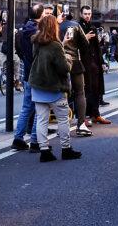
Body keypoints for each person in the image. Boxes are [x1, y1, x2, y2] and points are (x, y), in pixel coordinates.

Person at [29, 13, 82, 161]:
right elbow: (64, 68)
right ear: (54, 27)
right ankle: (66, 149)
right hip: (54, 88)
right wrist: (69, 59)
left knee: (41, 120)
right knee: (63, 119)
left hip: (38, 86)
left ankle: (44, 151)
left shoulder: (36, 42)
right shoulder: (55, 45)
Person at [12, 3, 49, 152]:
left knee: (26, 107)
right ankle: (35, 140)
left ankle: (18, 138)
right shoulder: (38, 32)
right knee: (40, 108)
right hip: (37, 73)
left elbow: (20, 51)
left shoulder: (22, 31)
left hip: (27, 72)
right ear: (40, 16)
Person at [61, 12, 92, 137]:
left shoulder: (56, 25)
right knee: (80, 92)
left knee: (62, 95)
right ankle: (81, 124)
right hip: (75, 61)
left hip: (60, 61)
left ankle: (63, 126)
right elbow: (85, 43)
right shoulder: (76, 26)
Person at [79, 5, 111, 124]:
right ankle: (85, 117)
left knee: (96, 89)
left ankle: (96, 114)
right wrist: (85, 38)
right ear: (81, 14)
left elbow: (97, 47)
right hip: (85, 63)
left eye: (89, 13)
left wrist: (101, 62)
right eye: (85, 14)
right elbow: (75, 45)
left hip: (95, 63)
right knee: (86, 90)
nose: (87, 16)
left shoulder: (92, 26)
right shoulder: (78, 27)